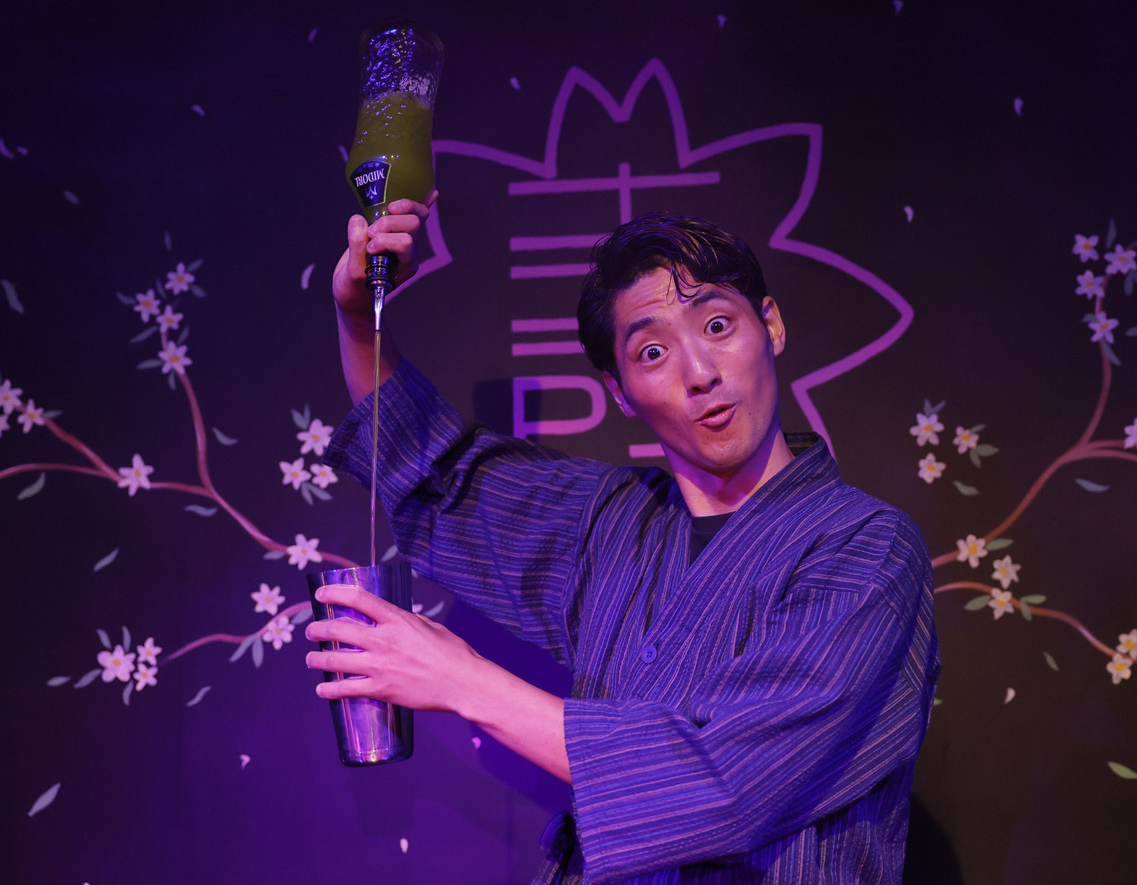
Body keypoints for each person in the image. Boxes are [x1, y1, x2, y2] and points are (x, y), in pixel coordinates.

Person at [307, 195, 939, 884]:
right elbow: (434, 469)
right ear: (619, 388)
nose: (699, 372)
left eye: (719, 324)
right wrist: (356, 315)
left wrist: (462, 679)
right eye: (653, 351)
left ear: (772, 323)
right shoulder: (612, 520)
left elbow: (729, 779)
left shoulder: (867, 549)